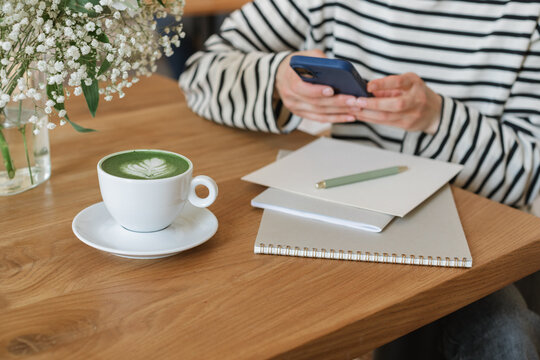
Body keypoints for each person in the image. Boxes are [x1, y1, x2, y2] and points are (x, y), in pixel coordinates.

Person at [179, 0, 540, 358]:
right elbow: (198, 75)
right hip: (347, 222)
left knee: (502, 331)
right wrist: (277, 81)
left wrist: (437, 119)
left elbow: (530, 175)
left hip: (477, 238)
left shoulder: (525, 15)